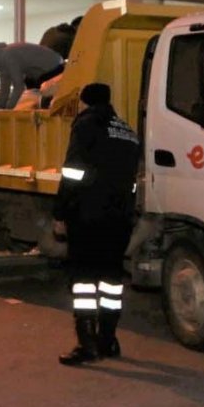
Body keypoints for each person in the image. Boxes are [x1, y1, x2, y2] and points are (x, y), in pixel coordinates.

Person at [53, 83, 141, 366]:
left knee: (84, 283)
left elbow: (73, 172)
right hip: (119, 218)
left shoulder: (86, 125)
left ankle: (87, 345)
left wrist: (60, 213)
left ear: (85, 102)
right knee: (111, 282)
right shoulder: (126, 130)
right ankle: (108, 340)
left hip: (88, 215)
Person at [0, 42, 63, 109]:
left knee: (40, 101)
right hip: (41, 71)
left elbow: (18, 87)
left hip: (52, 69)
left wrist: (8, 110)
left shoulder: (8, 55)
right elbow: (4, 89)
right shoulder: (0, 62)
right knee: (31, 97)